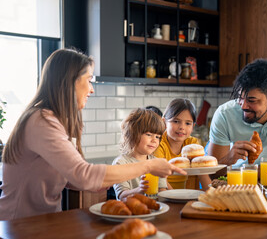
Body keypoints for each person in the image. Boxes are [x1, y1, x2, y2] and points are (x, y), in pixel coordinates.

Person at [0, 48, 185, 220]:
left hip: (45, 222)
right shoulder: (41, 121)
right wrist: (149, 166)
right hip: (19, 224)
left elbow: (77, 179)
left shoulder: (56, 121)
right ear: (70, 80)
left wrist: (107, 180)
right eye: (88, 80)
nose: (92, 89)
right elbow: (83, 175)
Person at [207, 59, 267, 177]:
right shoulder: (224, 114)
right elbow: (213, 173)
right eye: (239, 97)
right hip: (235, 184)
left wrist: (246, 173)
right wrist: (228, 159)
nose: (243, 105)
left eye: (251, 100)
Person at [154, 98, 211, 190]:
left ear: (193, 126)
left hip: (192, 197)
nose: (182, 127)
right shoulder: (158, 144)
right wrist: (176, 197)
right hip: (167, 198)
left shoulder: (193, 144)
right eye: (176, 121)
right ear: (164, 122)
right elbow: (161, 181)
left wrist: (211, 194)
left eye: (188, 123)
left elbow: (202, 173)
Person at [112, 108, 168, 200]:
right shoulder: (121, 163)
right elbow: (122, 196)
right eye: (149, 135)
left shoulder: (156, 163)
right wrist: (140, 190)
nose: (154, 140)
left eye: (158, 137)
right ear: (132, 134)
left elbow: (162, 191)